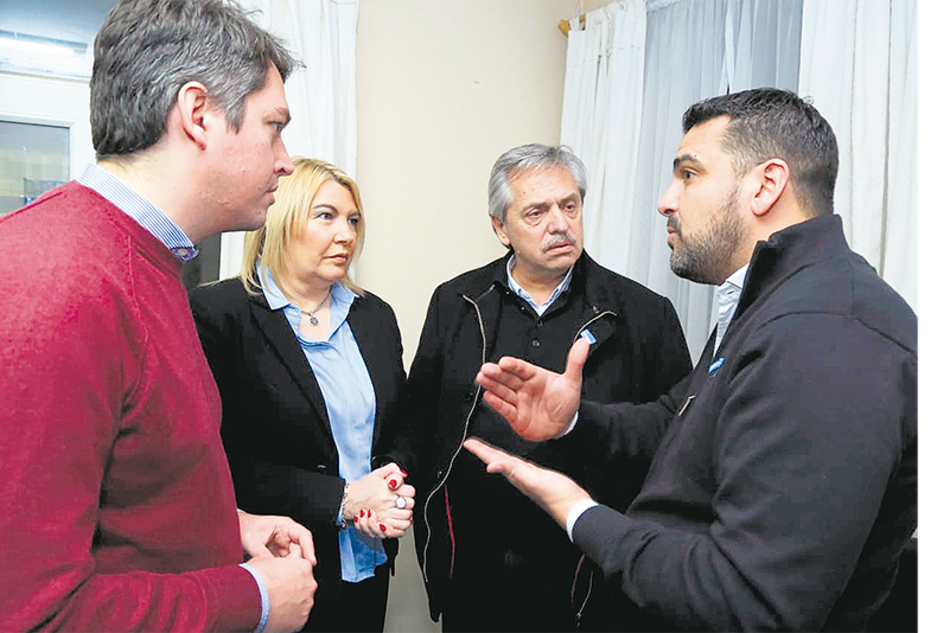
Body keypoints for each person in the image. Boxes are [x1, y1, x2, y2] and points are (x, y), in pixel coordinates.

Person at [466, 88, 920, 632]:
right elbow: (680, 424)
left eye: (688, 174)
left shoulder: (829, 333)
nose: (666, 199)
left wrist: (578, 512)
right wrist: (576, 421)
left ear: (766, 186)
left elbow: (749, 600)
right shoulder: (771, 301)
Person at [0, 1, 320, 631]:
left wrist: (225, 525)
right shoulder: (57, 285)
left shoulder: (148, 260)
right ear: (198, 115)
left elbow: (114, 487)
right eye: (274, 127)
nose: (285, 159)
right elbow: (32, 613)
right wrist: (250, 600)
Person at [403, 143, 692, 632]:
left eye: (570, 206)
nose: (559, 224)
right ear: (501, 228)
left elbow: (678, 447)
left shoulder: (645, 313)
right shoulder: (456, 302)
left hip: (590, 578)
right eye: (536, 212)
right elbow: (418, 422)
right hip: (473, 575)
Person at [189, 157, 415, 633]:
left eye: (353, 219)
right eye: (326, 216)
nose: (347, 234)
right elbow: (215, 460)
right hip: (278, 567)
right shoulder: (220, 314)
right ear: (282, 219)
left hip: (367, 565)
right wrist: (344, 500)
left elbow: (403, 428)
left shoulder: (374, 316)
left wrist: (386, 494)